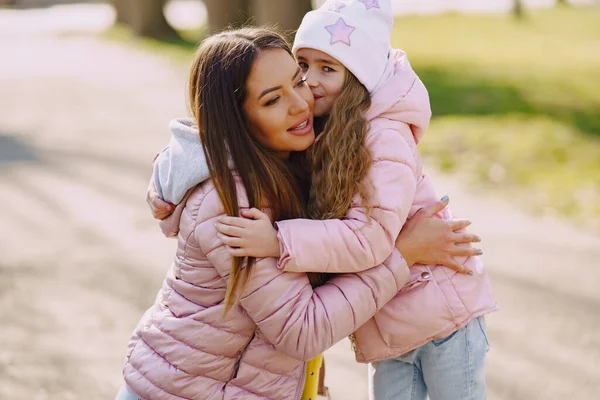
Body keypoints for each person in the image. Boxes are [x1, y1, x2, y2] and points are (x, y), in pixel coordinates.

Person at [150, 1, 498, 399]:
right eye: (304, 68)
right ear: (238, 117)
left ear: (357, 77)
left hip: (437, 307)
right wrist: (167, 183)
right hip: (382, 321)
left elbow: (364, 238)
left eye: (321, 71)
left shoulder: (372, 137)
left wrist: (279, 239)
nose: (307, 89)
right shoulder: (234, 194)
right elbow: (303, 322)